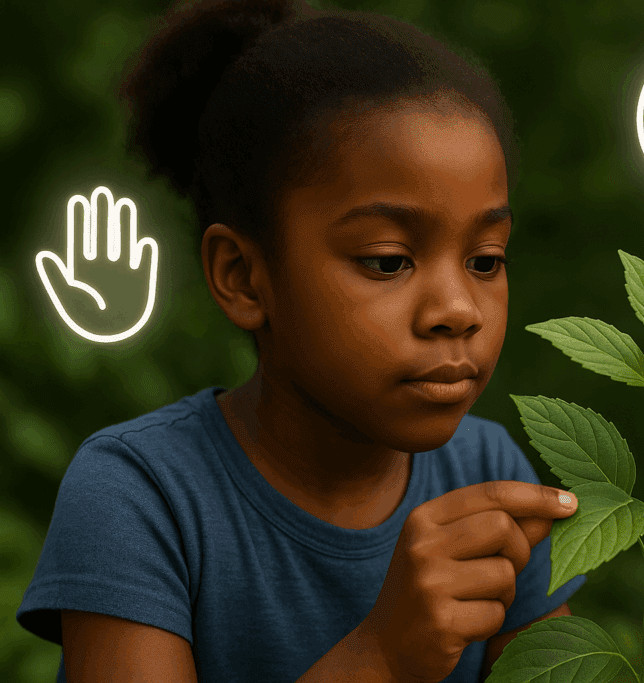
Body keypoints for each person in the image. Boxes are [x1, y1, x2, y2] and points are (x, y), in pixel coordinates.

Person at [15, 0, 588, 681]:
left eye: (485, 260)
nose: (458, 310)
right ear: (243, 277)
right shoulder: (139, 494)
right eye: (387, 261)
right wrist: (381, 655)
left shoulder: (486, 470)